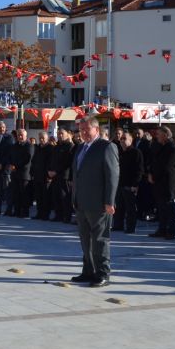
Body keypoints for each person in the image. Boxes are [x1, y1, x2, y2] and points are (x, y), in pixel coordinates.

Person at [70, 117, 119, 288]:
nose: (83, 133)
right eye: (81, 129)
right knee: (85, 240)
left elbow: (112, 176)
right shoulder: (80, 148)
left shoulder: (106, 147)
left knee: (100, 240)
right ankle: (88, 271)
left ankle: (103, 273)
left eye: (86, 129)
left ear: (96, 129)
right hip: (82, 203)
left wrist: (109, 201)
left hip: (99, 204)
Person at [148, 127, 175, 239]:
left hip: (167, 183)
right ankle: (162, 229)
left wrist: (155, 176)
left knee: (169, 208)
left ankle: (170, 231)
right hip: (158, 182)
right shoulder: (160, 147)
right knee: (161, 208)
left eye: (159, 134)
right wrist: (151, 173)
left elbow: (167, 166)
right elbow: (154, 161)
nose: (157, 136)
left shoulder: (172, 148)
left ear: (166, 135)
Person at [115, 132, 144, 233]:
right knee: (119, 206)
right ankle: (118, 225)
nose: (122, 140)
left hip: (130, 185)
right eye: (121, 139)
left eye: (124, 138)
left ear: (130, 140)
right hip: (120, 184)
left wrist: (135, 185)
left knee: (130, 208)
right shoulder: (120, 152)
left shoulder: (136, 152)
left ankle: (130, 227)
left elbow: (139, 170)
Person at [48, 128, 76, 223]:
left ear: (68, 134)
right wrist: (50, 171)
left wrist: (56, 171)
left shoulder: (70, 146)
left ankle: (66, 216)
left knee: (65, 197)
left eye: (62, 133)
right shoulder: (57, 147)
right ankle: (58, 215)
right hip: (55, 176)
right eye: (59, 133)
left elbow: (67, 162)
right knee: (56, 196)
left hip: (65, 176)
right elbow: (52, 160)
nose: (60, 135)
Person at [9, 129, 33, 217]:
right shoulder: (14, 146)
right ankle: (17, 211)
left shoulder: (29, 146)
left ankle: (25, 212)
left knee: (24, 194)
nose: (20, 136)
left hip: (24, 174)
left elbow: (27, 159)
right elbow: (10, 156)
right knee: (16, 193)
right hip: (15, 173)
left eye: (22, 135)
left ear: (26, 136)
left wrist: (16, 166)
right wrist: (11, 164)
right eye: (19, 135)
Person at [31, 132, 52, 219]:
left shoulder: (50, 148)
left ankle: (45, 214)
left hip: (46, 177)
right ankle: (39, 213)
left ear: (47, 139)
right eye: (40, 138)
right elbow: (34, 161)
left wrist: (49, 175)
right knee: (38, 197)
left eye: (43, 138)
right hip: (37, 176)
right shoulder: (38, 148)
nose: (41, 140)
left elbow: (51, 162)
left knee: (45, 197)